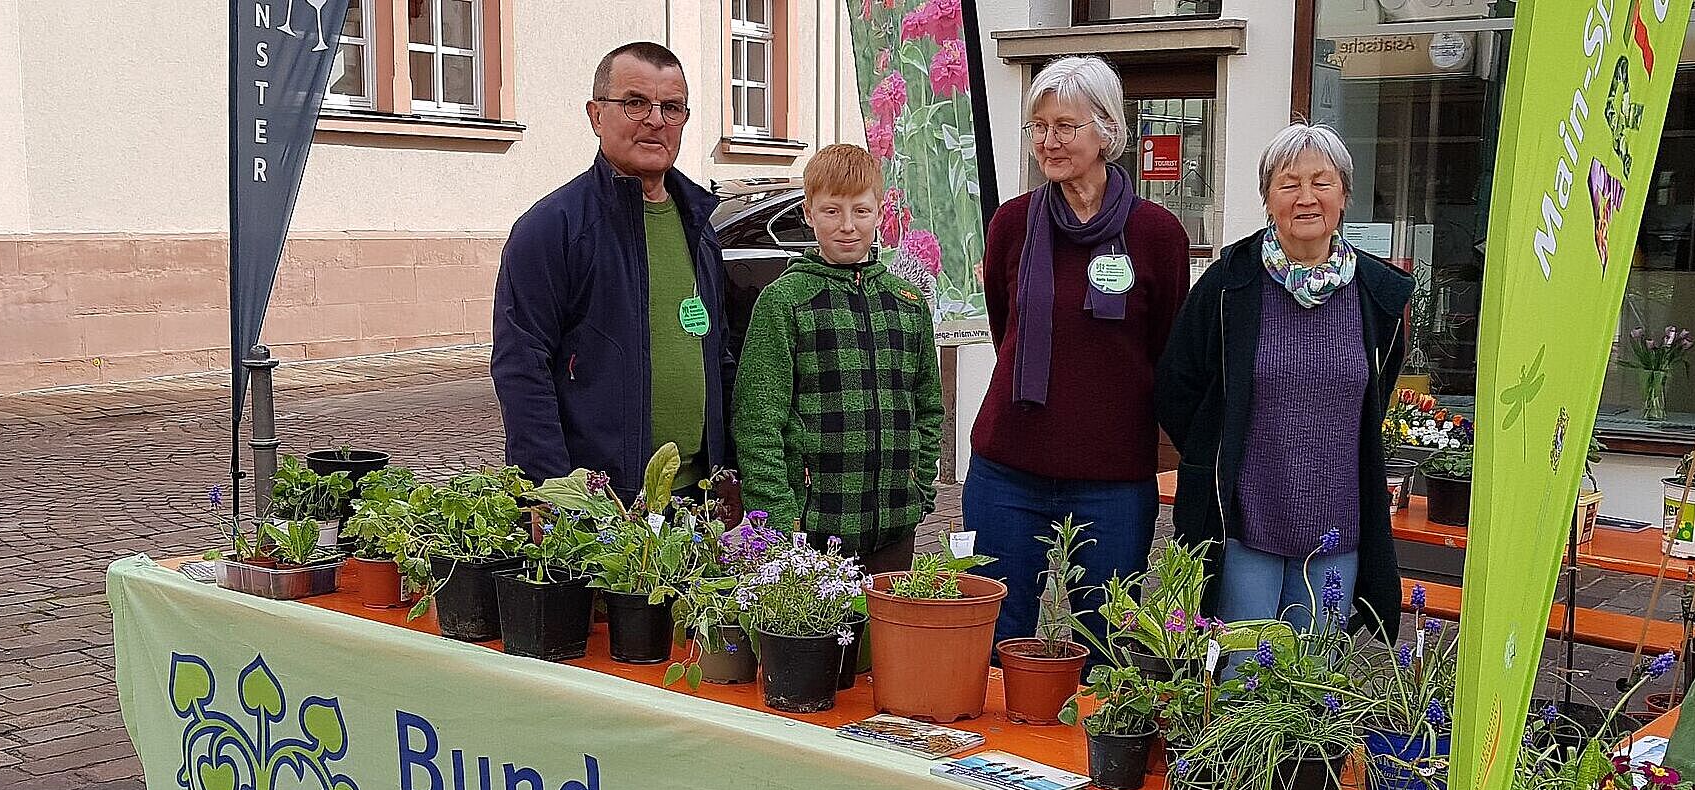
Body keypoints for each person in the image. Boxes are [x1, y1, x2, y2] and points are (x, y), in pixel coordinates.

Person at [967, 55, 1191, 646]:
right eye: (1039, 127)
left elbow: (1166, 349)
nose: (1049, 140)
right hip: (1009, 468)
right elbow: (1004, 327)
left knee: (1107, 644)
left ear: (1107, 130)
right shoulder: (1012, 224)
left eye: (1065, 125)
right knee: (996, 637)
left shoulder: (1158, 235)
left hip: (1113, 476)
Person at [1155, 124, 1410, 635]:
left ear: (1345, 196)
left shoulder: (1378, 295)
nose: (1306, 198)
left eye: (1322, 182)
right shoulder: (1231, 282)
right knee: (1235, 675)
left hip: (1338, 524)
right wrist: (1212, 450)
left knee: (1312, 681)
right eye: (1289, 184)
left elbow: (1372, 399)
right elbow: (1177, 383)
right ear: (1267, 198)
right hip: (1245, 521)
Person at [491, 41, 736, 503]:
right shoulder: (553, 229)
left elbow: (717, 356)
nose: (656, 120)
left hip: (697, 496)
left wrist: (730, 473)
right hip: (602, 504)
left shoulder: (699, 227)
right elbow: (522, 370)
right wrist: (552, 494)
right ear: (596, 115)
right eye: (635, 102)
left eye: (672, 107)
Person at [731, 145, 944, 574]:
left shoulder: (907, 303)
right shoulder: (785, 302)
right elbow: (757, 423)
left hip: (894, 528)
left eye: (861, 211)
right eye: (831, 211)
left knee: (885, 642)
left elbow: (929, 409)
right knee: (817, 640)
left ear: (879, 213)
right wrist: (775, 518)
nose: (847, 226)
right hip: (811, 528)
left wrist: (918, 489)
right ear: (809, 213)